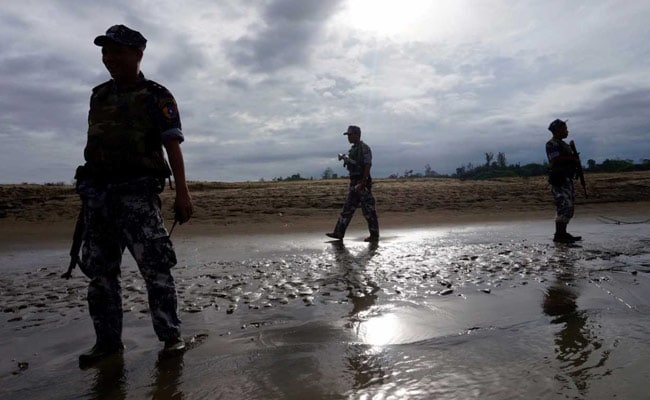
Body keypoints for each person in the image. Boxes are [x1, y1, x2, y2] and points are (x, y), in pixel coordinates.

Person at [75, 24, 193, 367]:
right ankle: (108, 343)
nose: (108, 58)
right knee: (100, 273)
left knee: (156, 268)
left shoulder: (157, 96)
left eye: (116, 51)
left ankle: (171, 337)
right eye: (105, 51)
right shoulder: (98, 95)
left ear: (138, 54)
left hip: (138, 194)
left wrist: (183, 193)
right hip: (98, 198)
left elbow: (173, 146)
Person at [326, 125, 379, 242]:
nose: (348, 137)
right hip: (354, 182)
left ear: (357, 135)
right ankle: (338, 233)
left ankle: (374, 235)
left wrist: (363, 182)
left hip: (362, 182)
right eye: (348, 135)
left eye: (350, 135)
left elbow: (367, 165)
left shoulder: (364, 148)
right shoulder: (353, 150)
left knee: (369, 210)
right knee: (347, 209)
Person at [546, 119, 581, 243]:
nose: (567, 131)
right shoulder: (551, 144)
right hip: (559, 179)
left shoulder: (564, 144)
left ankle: (563, 233)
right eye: (564, 128)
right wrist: (572, 159)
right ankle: (559, 235)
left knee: (569, 206)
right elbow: (555, 159)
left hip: (566, 178)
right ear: (557, 130)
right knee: (564, 206)